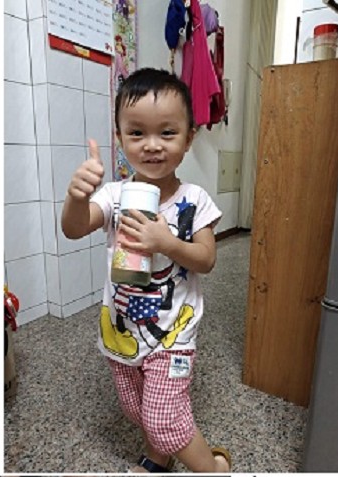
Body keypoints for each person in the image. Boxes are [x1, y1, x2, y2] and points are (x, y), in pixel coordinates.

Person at [61, 68, 231, 473]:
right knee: (137, 407)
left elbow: (206, 259)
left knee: (164, 417)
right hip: (122, 329)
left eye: (167, 133)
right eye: (137, 133)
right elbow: (74, 228)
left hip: (172, 334)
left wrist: (166, 242)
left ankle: (214, 469)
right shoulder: (115, 195)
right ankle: (159, 456)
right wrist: (76, 197)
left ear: (189, 137)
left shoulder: (194, 199)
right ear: (120, 138)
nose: (152, 145)